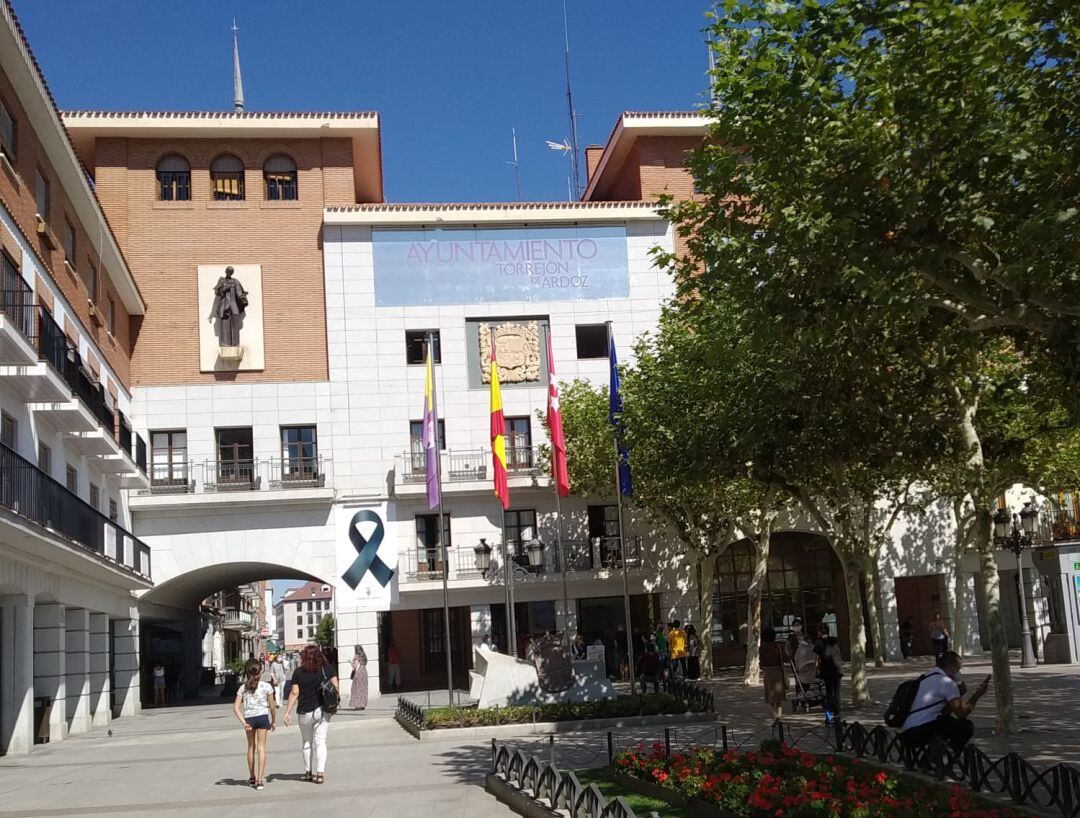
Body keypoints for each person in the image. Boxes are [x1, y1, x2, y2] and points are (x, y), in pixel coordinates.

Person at [901, 651, 989, 757]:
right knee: (965, 726)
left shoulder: (927, 677)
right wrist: (977, 695)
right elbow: (962, 714)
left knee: (947, 722)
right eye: (957, 669)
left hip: (907, 732)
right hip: (921, 732)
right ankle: (945, 760)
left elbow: (944, 712)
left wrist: (958, 695)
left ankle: (929, 760)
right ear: (950, 667)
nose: (958, 673)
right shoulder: (947, 682)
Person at [283, 644, 338, 785]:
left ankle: (308, 772)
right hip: (322, 710)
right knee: (321, 742)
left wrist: (287, 711)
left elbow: (294, 693)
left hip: (304, 711)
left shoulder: (298, 672)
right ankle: (320, 774)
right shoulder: (327, 669)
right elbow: (336, 686)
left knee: (307, 742)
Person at [233, 658, 276, 790]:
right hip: (263, 718)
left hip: (249, 719)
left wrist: (244, 722)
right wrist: (273, 720)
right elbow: (272, 706)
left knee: (251, 747)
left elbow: (235, 708)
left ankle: (251, 777)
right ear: (259, 672)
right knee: (261, 748)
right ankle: (260, 780)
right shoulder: (266, 686)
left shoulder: (243, 688)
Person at [813, 623, 843, 724]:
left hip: (827, 670)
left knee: (829, 692)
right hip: (837, 669)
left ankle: (829, 716)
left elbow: (817, 659)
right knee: (837, 692)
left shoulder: (819, 643)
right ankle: (838, 714)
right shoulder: (835, 640)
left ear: (820, 632)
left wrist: (816, 671)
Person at [759, 626, 788, 722]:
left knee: (769, 699)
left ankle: (775, 716)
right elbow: (781, 660)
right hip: (778, 672)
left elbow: (761, 664)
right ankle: (779, 716)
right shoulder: (778, 646)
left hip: (768, 673)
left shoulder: (762, 648)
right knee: (778, 698)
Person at [349, 645, 368, 710]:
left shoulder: (356, 656)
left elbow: (355, 666)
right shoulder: (364, 656)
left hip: (358, 673)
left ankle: (358, 705)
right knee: (363, 689)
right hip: (364, 672)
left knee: (356, 688)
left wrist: (351, 662)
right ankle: (362, 705)